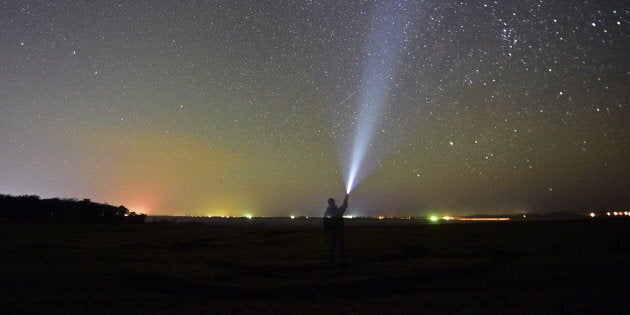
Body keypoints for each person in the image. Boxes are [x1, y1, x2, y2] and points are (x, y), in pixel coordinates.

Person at [323, 194, 349, 266]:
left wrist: (325, 233)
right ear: (334, 203)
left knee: (332, 248)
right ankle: (343, 261)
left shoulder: (327, 212)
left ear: (329, 203)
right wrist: (346, 198)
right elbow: (344, 206)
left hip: (332, 233)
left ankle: (332, 262)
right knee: (342, 248)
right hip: (339, 232)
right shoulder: (338, 211)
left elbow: (325, 224)